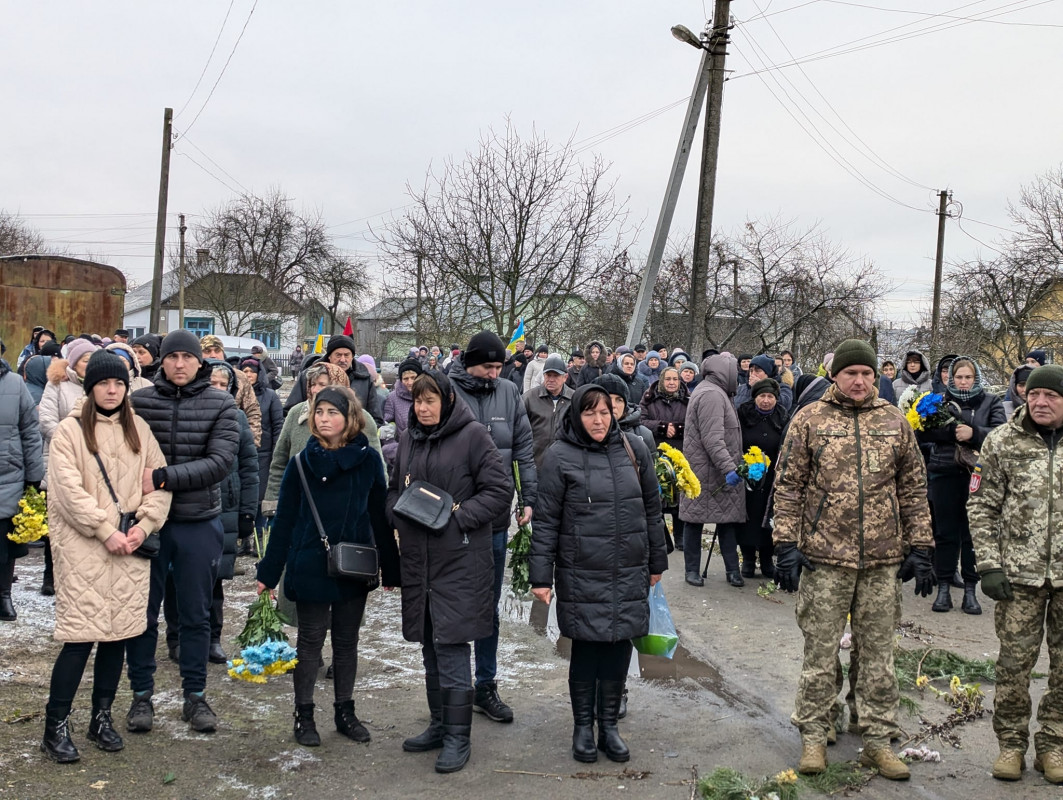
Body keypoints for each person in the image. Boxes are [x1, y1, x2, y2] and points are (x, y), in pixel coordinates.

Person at [772, 338, 934, 781]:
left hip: (882, 559)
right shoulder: (809, 420)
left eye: (866, 373)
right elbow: (788, 486)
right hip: (824, 557)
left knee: (878, 653)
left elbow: (913, 489)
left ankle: (877, 739)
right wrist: (785, 543)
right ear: (835, 376)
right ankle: (814, 733)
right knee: (820, 651)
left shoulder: (894, 422)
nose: (860, 381)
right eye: (851, 374)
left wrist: (920, 546)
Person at [40, 351, 171, 762]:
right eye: (103, 383)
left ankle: (102, 716)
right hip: (85, 550)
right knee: (80, 639)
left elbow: (159, 482)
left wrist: (144, 526)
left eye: (118, 383)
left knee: (119, 637)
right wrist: (104, 530)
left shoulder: (140, 429)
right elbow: (66, 492)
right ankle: (55, 725)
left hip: (130, 548)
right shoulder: (69, 431)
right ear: (90, 386)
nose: (112, 390)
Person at [530, 384, 668, 764]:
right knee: (588, 648)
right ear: (577, 415)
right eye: (590, 413)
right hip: (582, 568)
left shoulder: (634, 449)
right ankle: (582, 728)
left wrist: (657, 562)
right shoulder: (559, 456)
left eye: (605, 412)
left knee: (620, 644)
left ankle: (608, 726)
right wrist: (541, 576)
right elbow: (545, 522)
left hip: (629, 566)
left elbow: (652, 509)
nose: (598, 420)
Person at [257, 386, 399, 748]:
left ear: (349, 417)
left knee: (347, 642)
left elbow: (379, 516)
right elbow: (285, 520)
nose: (324, 419)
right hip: (310, 564)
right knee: (309, 642)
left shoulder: (367, 460)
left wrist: (392, 569)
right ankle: (303, 714)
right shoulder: (301, 462)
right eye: (319, 412)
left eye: (332, 412)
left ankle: (344, 712)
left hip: (354, 564)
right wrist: (268, 573)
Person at [386, 372, 512, 773]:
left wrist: (459, 519)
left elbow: (498, 490)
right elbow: (393, 489)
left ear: (447, 401)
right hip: (419, 562)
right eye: (417, 400)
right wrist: (399, 513)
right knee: (429, 643)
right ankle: (439, 724)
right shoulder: (408, 440)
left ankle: (459, 738)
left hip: (459, 559)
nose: (422, 408)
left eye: (430, 400)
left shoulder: (472, 436)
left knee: (452, 646)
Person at [124, 329, 240, 734]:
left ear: (199, 362)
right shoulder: (137, 403)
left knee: (195, 615)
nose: (178, 364)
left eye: (186, 358)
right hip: (147, 525)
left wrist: (159, 478)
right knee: (141, 615)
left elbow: (219, 462)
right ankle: (141, 696)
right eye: (171, 357)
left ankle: (195, 695)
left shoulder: (221, 403)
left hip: (197, 522)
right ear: (162, 361)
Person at [969, 364, 1063, 783]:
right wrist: (988, 563)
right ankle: (1011, 744)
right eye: (1035, 395)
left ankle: (1054, 744)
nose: (1040, 402)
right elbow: (982, 506)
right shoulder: (1002, 442)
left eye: (1052, 397)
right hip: (1018, 578)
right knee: (1013, 666)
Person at [448, 331, 537, 723]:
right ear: (469, 363)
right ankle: (451, 689)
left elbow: (524, 450)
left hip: (496, 519)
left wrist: (528, 497)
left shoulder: (509, 393)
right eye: (488, 366)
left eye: (499, 367)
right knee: (452, 604)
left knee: (487, 605)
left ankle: (486, 684)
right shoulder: (446, 391)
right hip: (452, 519)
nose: (494, 374)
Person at [163, 360, 258, 665]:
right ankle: (177, 637)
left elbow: (249, 467)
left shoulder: (238, 418)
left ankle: (212, 637)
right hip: (187, 504)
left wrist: (247, 511)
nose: (217, 389)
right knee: (176, 577)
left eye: (223, 384)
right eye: (212, 383)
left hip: (225, 506)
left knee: (213, 578)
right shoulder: (190, 412)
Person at [917, 356, 1005, 615]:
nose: (963, 382)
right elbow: (920, 432)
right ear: (950, 379)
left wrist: (974, 433)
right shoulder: (939, 401)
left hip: (977, 475)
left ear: (975, 377)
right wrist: (949, 432)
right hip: (944, 472)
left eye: (968, 377)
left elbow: (1001, 435)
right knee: (945, 533)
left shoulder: (991, 401)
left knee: (971, 534)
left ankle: (970, 589)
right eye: (958, 377)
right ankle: (943, 586)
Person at [680, 354, 746, 588]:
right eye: (734, 372)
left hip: (712, 469)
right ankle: (692, 570)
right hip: (706, 470)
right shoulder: (712, 395)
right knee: (695, 520)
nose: (737, 377)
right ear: (725, 372)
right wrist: (729, 468)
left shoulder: (716, 391)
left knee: (726, 520)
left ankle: (732, 570)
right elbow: (713, 439)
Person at [0, 348, 45, 621]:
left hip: (8, 474)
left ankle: (3, 595)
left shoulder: (14, 383)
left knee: (5, 543)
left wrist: (33, 476)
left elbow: (30, 430)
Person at [736, 379, 787, 579]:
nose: (766, 401)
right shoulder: (743, 413)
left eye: (770, 397)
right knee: (748, 516)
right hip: (749, 472)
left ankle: (766, 559)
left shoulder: (782, 415)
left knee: (769, 518)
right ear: (755, 397)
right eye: (762, 396)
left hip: (773, 475)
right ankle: (748, 559)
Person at [640, 366, 689, 553]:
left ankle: (680, 536)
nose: (671, 382)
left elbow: (694, 422)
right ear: (661, 380)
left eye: (674, 379)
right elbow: (641, 420)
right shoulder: (649, 398)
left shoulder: (687, 400)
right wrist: (661, 427)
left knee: (679, 495)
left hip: (680, 452)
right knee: (657, 495)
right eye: (667, 379)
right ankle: (660, 535)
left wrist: (677, 428)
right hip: (656, 451)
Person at [285, 335, 383, 423]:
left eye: (347, 355)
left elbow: (376, 418)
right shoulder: (309, 376)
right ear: (329, 357)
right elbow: (289, 413)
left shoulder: (364, 379)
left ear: (352, 356)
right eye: (338, 355)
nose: (343, 359)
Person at [240, 357, 283, 538]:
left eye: (252, 372)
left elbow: (277, 425)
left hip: (263, 454)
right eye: (245, 371)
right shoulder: (237, 393)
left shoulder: (270, 396)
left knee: (259, 497)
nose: (248, 375)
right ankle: (243, 539)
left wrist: (276, 453)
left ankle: (258, 534)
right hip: (241, 453)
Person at [197, 336, 263, 446]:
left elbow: (252, 411)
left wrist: (251, 443)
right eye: (207, 351)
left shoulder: (239, 377)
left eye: (217, 351)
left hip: (233, 441)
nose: (213, 355)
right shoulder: (193, 376)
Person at [523, 354, 573, 469]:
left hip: (564, 464)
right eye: (548, 375)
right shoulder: (529, 398)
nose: (551, 379)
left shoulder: (574, 399)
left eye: (555, 376)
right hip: (535, 462)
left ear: (565, 377)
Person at [382, 358, 422, 470]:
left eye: (413, 377)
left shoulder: (426, 394)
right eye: (405, 379)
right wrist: (393, 450)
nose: (410, 382)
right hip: (403, 454)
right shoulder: (393, 397)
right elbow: (386, 424)